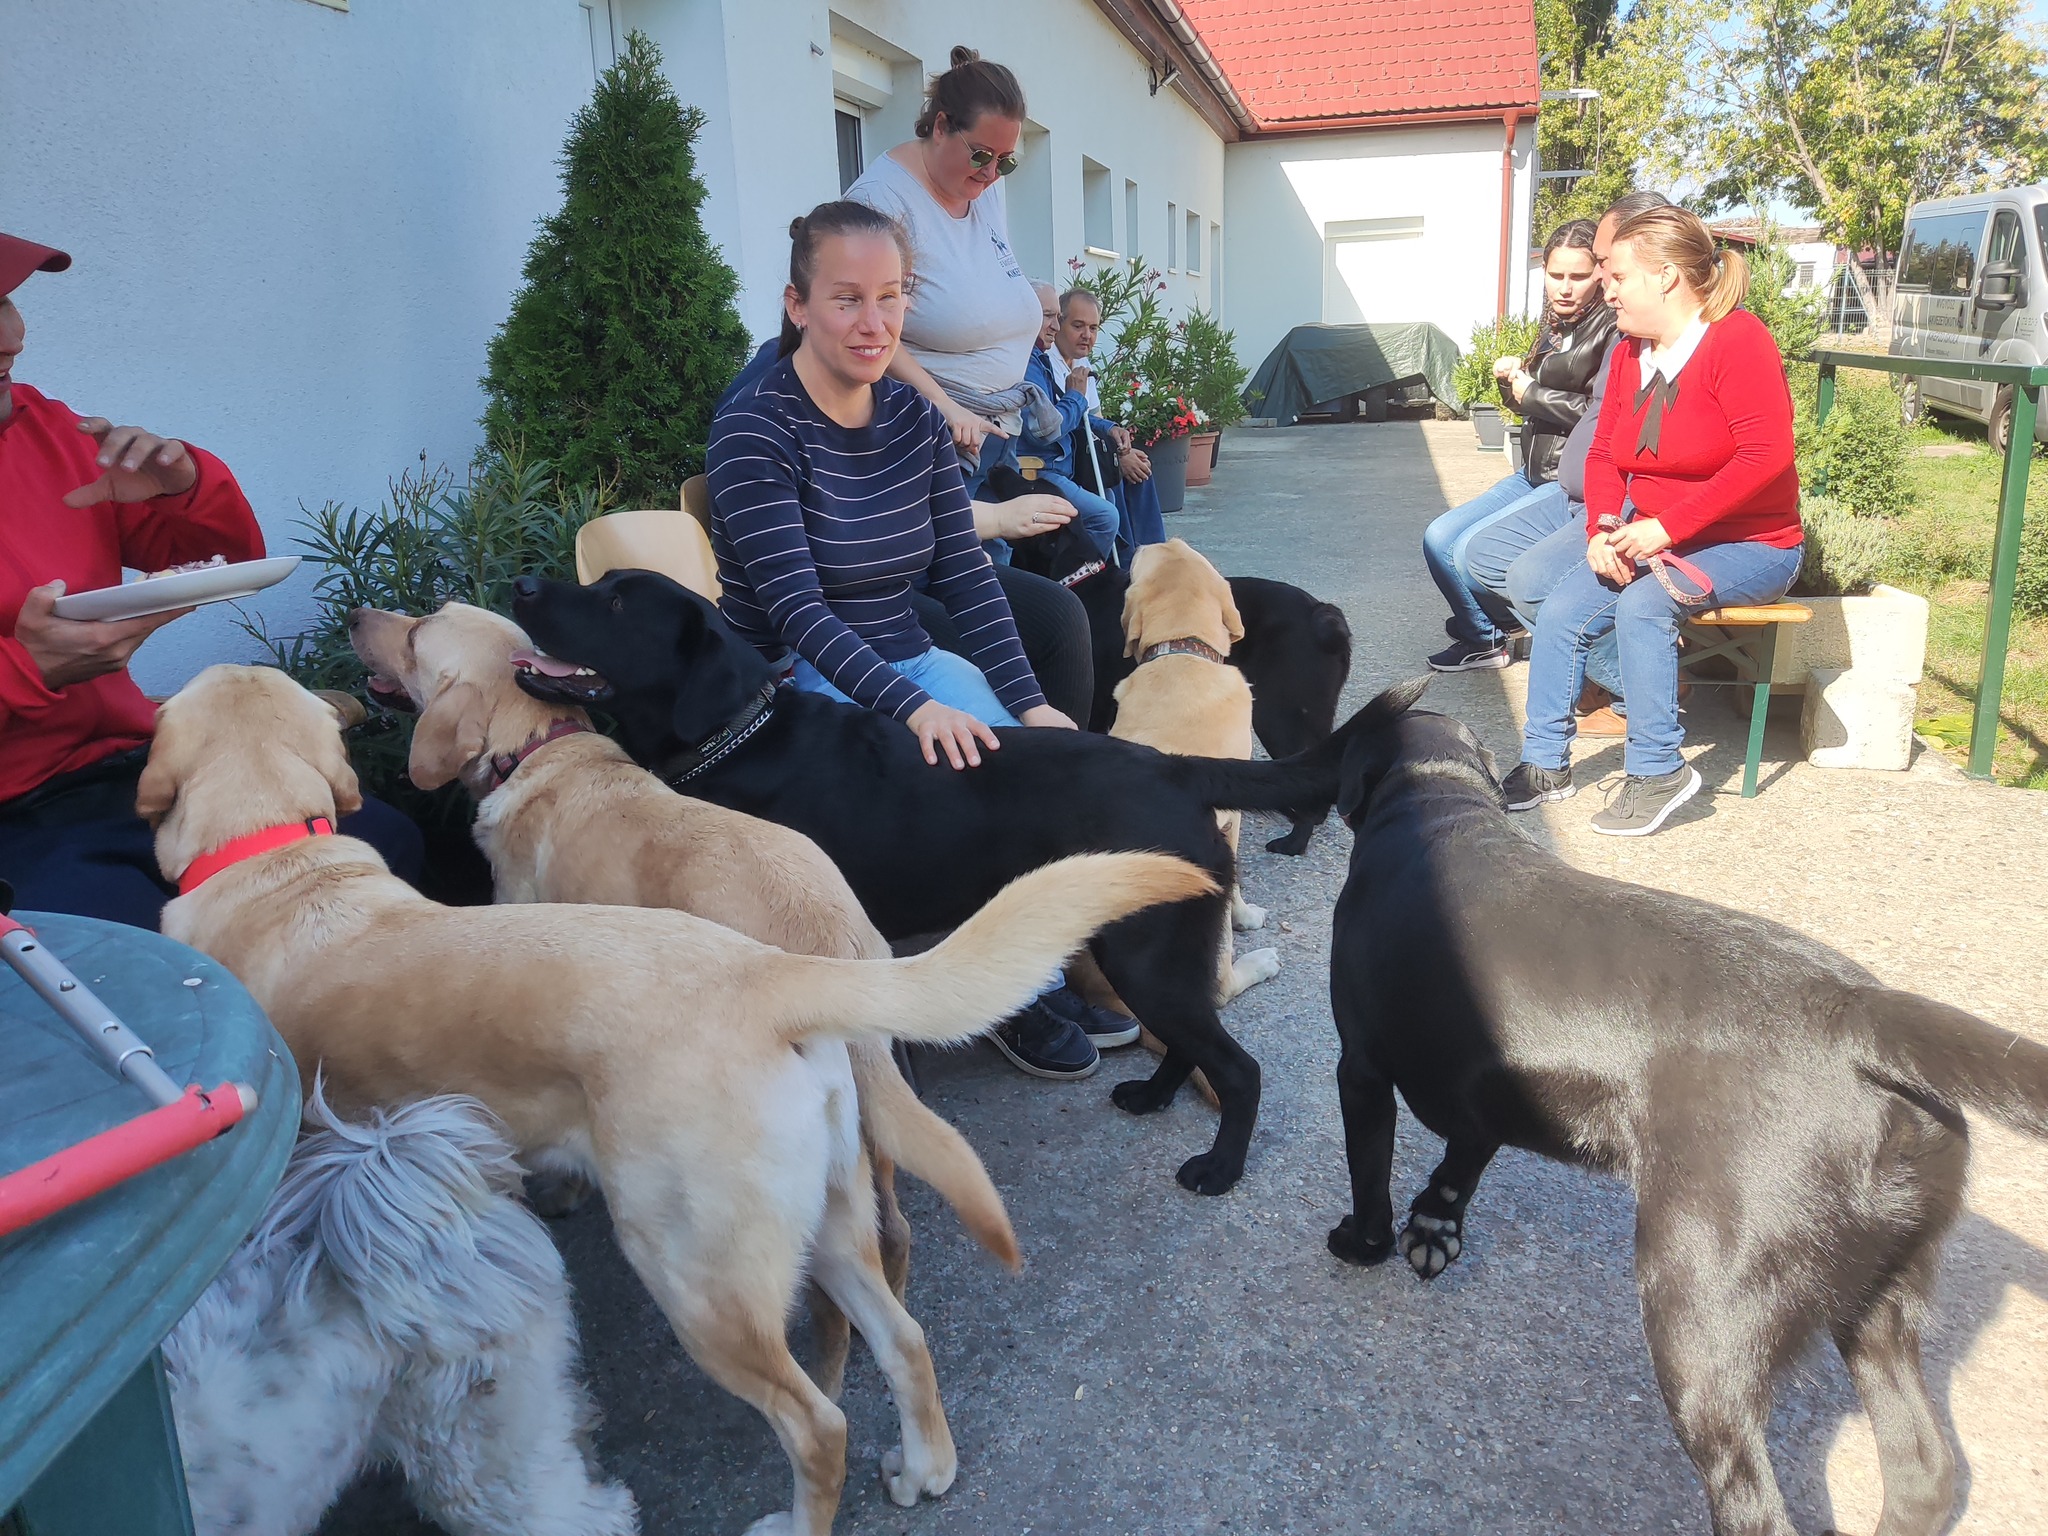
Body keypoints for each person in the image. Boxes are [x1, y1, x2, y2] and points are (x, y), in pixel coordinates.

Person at [706, 200, 1127, 1079]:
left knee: (1032, 764)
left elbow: (965, 577)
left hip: (902, 653)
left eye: (890, 297)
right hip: (785, 688)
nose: (874, 322)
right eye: (847, 298)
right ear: (797, 305)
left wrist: (1029, 702)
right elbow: (796, 612)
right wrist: (917, 706)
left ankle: (1023, 974)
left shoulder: (913, 419)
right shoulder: (754, 427)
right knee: (949, 785)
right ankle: (991, 992)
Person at [0, 231, 422, 928]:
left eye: (9, 302)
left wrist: (183, 487)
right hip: (17, 813)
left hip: (132, 767)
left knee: (381, 844)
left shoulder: (47, 429)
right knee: (128, 957)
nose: (13, 336)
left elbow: (221, 563)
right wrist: (27, 670)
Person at [1501, 206, 1803, 836]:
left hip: (1749, 544)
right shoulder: (1633, 352)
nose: (1604, 289)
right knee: (1561, 609)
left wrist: (1665, 531)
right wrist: (1602, 528)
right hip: (1650, 533)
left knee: (1644, 605)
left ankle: (1658, 767)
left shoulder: (1737, 339)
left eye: (1616, 276)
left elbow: (1765, 458)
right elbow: (1607, 452)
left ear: (1666, 277)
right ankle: (1543, 764)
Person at [1468, 189, 1674, 729]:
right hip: (1575, 489)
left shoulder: (1641, 332)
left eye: (1604, 268)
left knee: (1536, 584)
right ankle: (1599, 673)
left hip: (1620, 505)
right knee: (1479, 555)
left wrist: (1616, 519)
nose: (1599, 284)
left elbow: (1744, 459)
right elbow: (1603, 426)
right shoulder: (1620, 332)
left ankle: (1641, 694)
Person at [1422, 218, 1615, 671]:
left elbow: (1600, 412)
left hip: (1565, 478)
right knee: (1439, 538)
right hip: (1530, 471)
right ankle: (1488, 628)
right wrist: (1514, 382)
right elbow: (1531, 405)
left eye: (1579, 276)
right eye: (1555, 274)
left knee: (1467, 549)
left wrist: (1534, 393)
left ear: (1601, 274)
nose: (1564, 288)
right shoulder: (1554, 324)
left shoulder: (1612, 329)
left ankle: (1487, 633)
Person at [1047, 285, 1167, 555]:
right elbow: (1065, 425)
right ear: (1059, 323)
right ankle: (1125, 567)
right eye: (1078, 326)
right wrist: (1117, 458)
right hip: (1062, 458)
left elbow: (1095, 419)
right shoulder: (1048, 362)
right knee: (1112, 473)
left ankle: (1156, 556)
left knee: (1140, 469)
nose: (1086, 336)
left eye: (1093, 328)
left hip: (1085, 452)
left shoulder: (1081, 363)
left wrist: (1123, 448)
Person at [1017, 281, 1120, 558]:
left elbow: (1079, 417)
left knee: (1112, 491)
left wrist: (1109, 428)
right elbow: (1047, 429)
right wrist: (1076, 395)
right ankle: (1079, 586)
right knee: (1106, 515)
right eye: (1048, 317)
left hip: (1060, 466)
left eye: (1056, 318)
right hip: (1040, 470)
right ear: (1025, 315)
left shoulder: (1039, 358)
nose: (1055, 326)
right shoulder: (1029, 362)